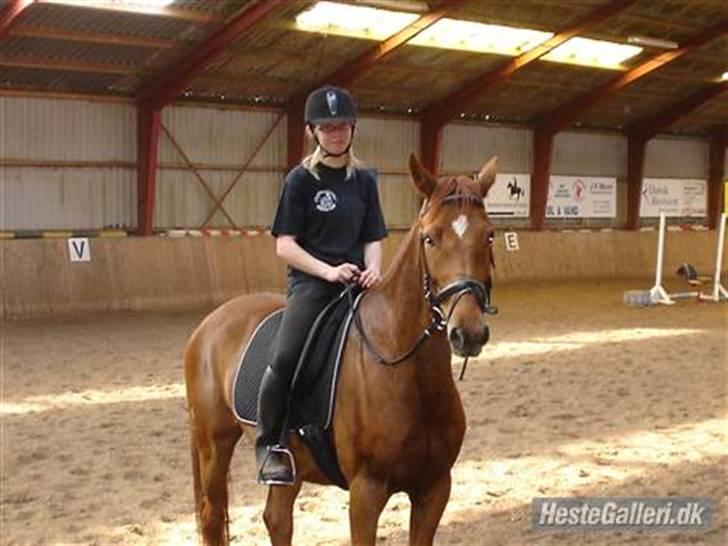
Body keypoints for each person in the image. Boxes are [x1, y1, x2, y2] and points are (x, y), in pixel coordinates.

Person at [256, 85, 388, 485]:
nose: (336, 134)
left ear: (353, 129)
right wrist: (328, 271)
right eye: (327, 128)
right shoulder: (300, 180)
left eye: (343, 126)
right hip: (313, 286)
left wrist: (374, 269)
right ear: (313, 132)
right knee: (286, 358)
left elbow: (374, 236)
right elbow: (285, 246)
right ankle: (271, 444)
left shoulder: (364, 180)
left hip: (358, 284)